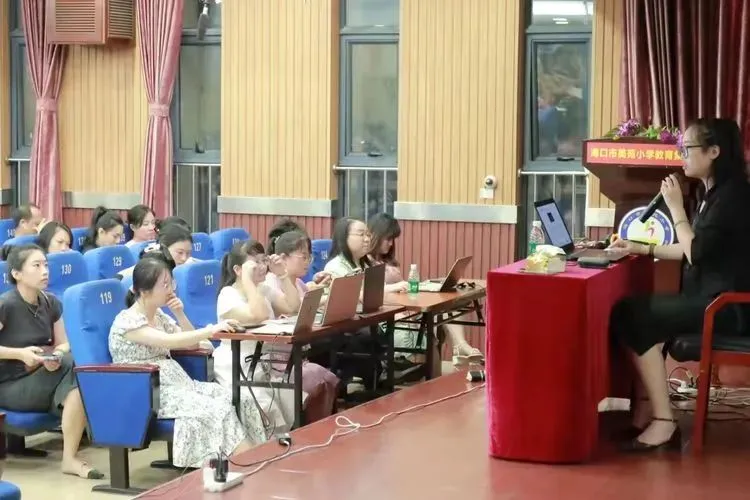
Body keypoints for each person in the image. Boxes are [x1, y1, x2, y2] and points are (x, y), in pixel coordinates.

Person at [608, 118, 750, 452]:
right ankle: (651, 411)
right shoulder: (714, 192)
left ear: (714, 151)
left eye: (687, 149)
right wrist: (641, 247)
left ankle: (663, 421)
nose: (681, 156)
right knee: (634, 311)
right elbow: (692, 248)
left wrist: (675, 208)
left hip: (728, 308)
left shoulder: (734, 197)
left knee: (632, 313)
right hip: (710, 299)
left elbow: (695, 250)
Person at [108, 255, 267, 467]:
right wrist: (211, 329)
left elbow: (192, 345)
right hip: (148, 392)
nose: (170, 289)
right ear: (144, 291)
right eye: (164, 284)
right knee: (216, 409)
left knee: (241, 398)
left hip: (180, 384)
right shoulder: (127, 321)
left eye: (171, 282)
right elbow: (169, 341)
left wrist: (179, 313)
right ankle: (247, 463)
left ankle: (255, 454)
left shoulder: (159, 316)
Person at [0, 245, 103, 479]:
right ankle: (74, 453)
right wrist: (20, 354)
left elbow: (64, 343)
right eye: (36, 266)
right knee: (76, 368)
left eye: (46, 265)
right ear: (16, 273)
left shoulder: (50, 302)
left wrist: (54, 355)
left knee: (76, 374)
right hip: (8, 385)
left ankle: (70, 458)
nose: (45, 271)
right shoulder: (5, 305)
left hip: (39, 376)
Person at [214, 240, 316, 430]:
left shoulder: (263, 289)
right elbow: (258, 314)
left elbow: (293, 307)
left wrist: (282, 275)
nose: (262, 267)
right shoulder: (228, 295)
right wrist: (247, 280)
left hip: (262, 362)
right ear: (238, 270)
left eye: (263, 261)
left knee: (292, 399)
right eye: (255, 263)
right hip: (237, 365)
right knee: (266, 408)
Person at [368, 213, 484, 366]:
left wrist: (422, 286)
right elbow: (371, 292)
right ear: (377, 235)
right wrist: (396, 287)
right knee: (434, 321)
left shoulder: (387, 260)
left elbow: (401, 288)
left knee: (446, 308)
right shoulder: (367, 261)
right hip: (392, 315)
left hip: (407, 309)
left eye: (393, 239)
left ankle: (460, 346)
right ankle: (458, 350)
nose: (391, 244)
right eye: (388, 239)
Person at [263, 231, 340, 420]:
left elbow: (310, 305)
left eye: (309, 257)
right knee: (320, 375)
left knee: (327, 374)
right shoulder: (270, 284)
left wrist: (328, 291)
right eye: (303, 257)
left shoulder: (298, 282)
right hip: (276, 359)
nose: (307, 262)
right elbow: (296, 308)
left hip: (299, 353)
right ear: (283, 258)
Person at [117, 226, 193, 279]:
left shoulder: (191, 269)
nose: (184, 258)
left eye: (188, 253)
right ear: (162, 247)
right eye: (180, 252)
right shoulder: (136, 274)